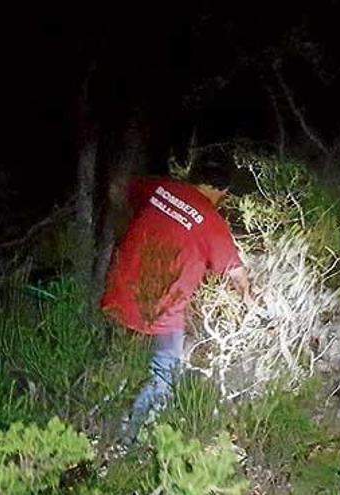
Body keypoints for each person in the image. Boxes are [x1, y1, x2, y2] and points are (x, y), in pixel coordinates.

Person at [100, 154, 249, 442]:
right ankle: (129, 443)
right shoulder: (211, 222)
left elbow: (117, 188)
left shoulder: (160, 189)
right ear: (223, 191)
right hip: (161, 317)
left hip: (118, 298)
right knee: (163, 375)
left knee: (115, 366)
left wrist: (124, 230)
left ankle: (96, 423)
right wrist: (251, 301)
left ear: (193, 176)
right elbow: (237, 276)